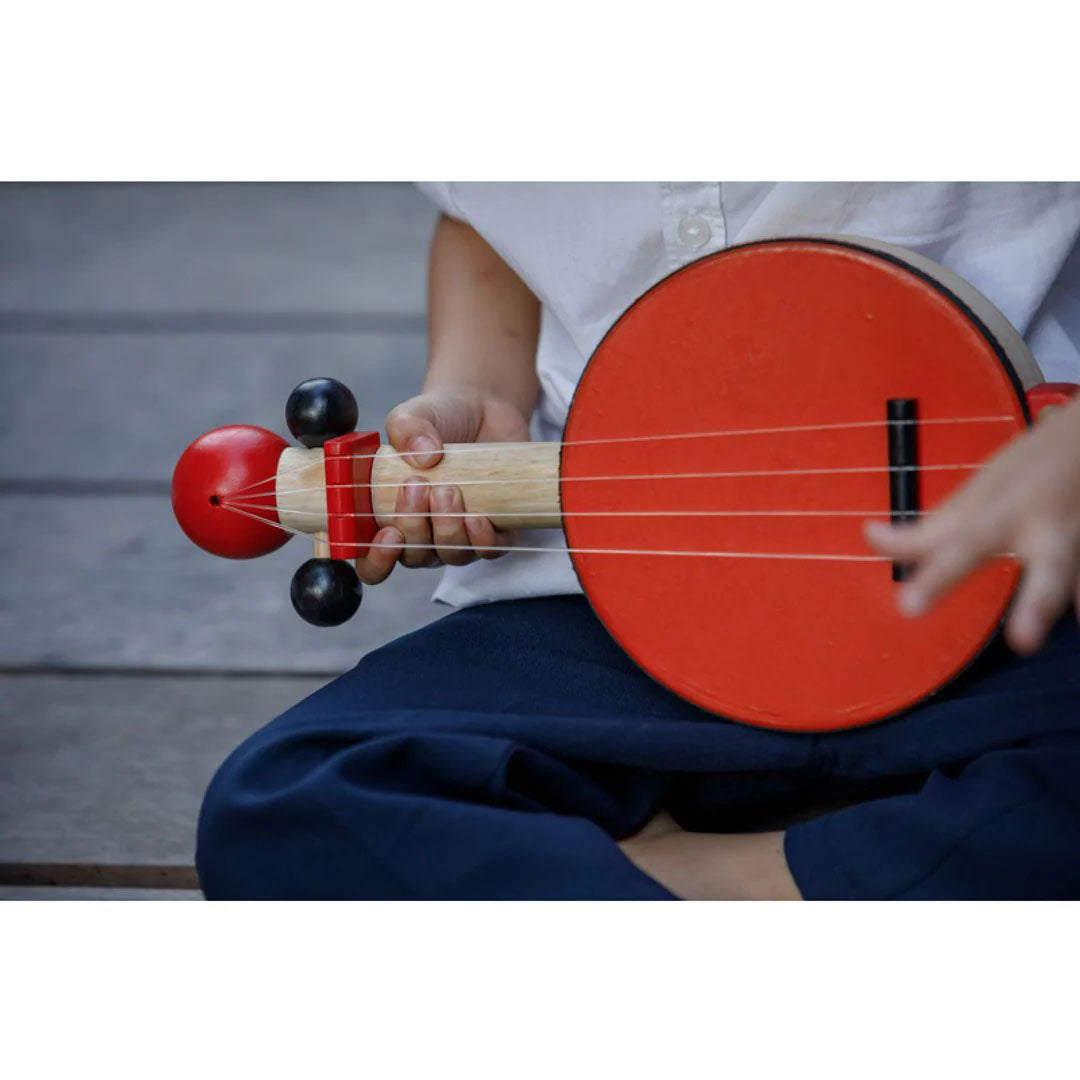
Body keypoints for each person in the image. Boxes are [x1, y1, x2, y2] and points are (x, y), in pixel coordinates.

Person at [196, 183, 1080, 899]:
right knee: (287, 805)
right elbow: (480, 212)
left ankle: (696, 881)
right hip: (614, 601)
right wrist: (479, 386)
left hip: (1013, 590)